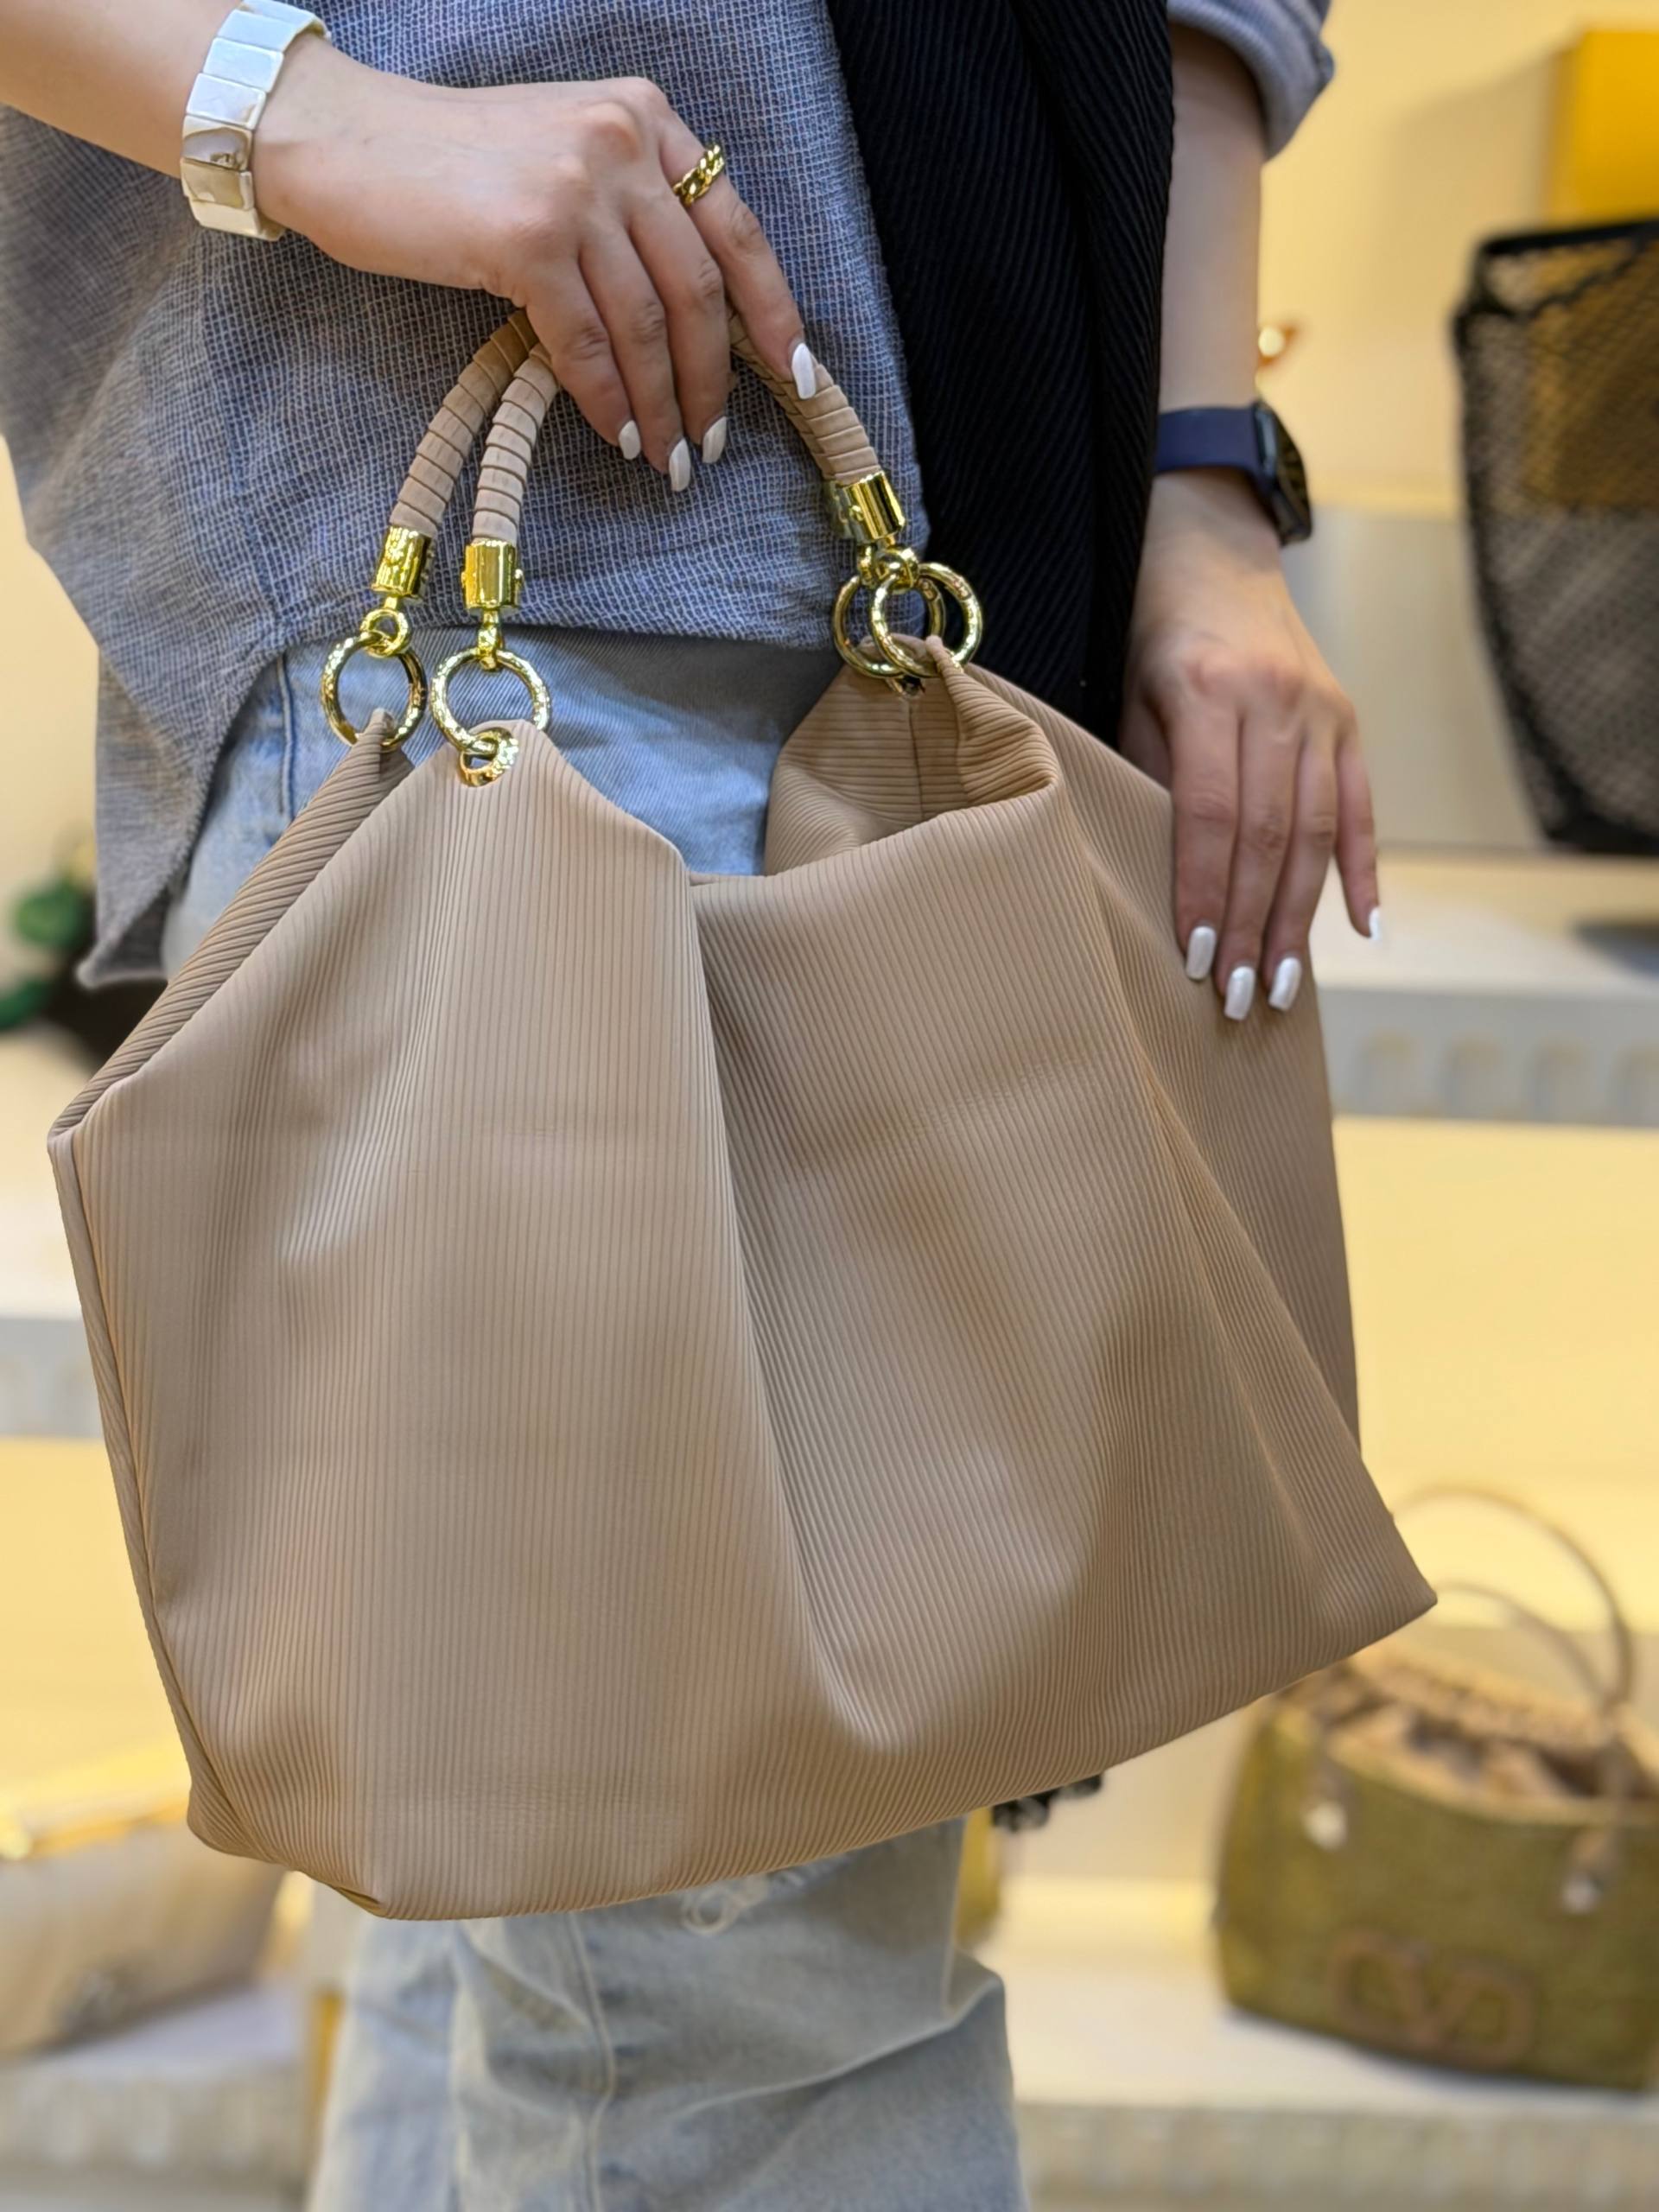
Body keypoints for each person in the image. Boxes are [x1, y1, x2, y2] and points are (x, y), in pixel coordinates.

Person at [0, 3, 1376, 2203]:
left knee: (552, 1940)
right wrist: (306, 110)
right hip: (513, 583)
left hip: (965, 533)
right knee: (726, 2007)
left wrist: (1203, 482)